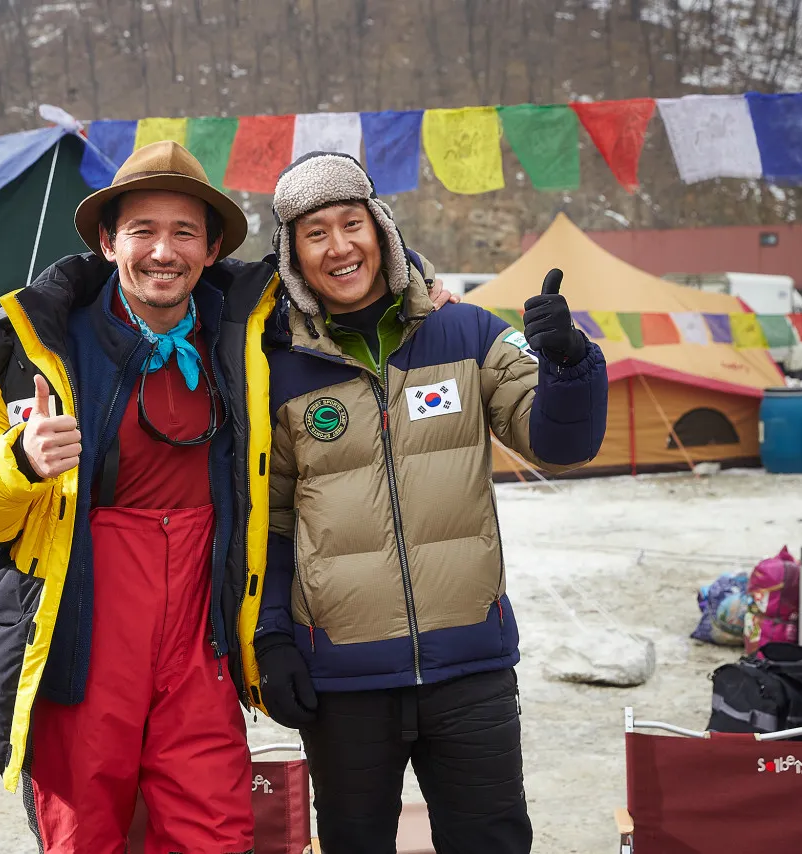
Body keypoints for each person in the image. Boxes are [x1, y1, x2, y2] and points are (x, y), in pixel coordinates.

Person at [0, 141, 455, 853]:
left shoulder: (249, 327)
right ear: (109, 244)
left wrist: (417, 287)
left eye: (184, 233)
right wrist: (17, 461)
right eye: (142, 231)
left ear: (212, 249)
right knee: (84, 840)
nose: (162, 251)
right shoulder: (24, 347)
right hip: (81, 645)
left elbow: (346, 278)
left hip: (202, 644)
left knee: (217, 834)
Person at [233, 152, 610, 854]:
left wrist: (568, 365)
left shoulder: (465, 335)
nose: (340, 246)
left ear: (381, 230)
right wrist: (273, 636)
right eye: (316, 233)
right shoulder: (278, 369)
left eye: (353, 223)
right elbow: (274, 521)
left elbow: (559, 443)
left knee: (492, 842)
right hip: (342, 677)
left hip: (470, 666)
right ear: (293, 255)